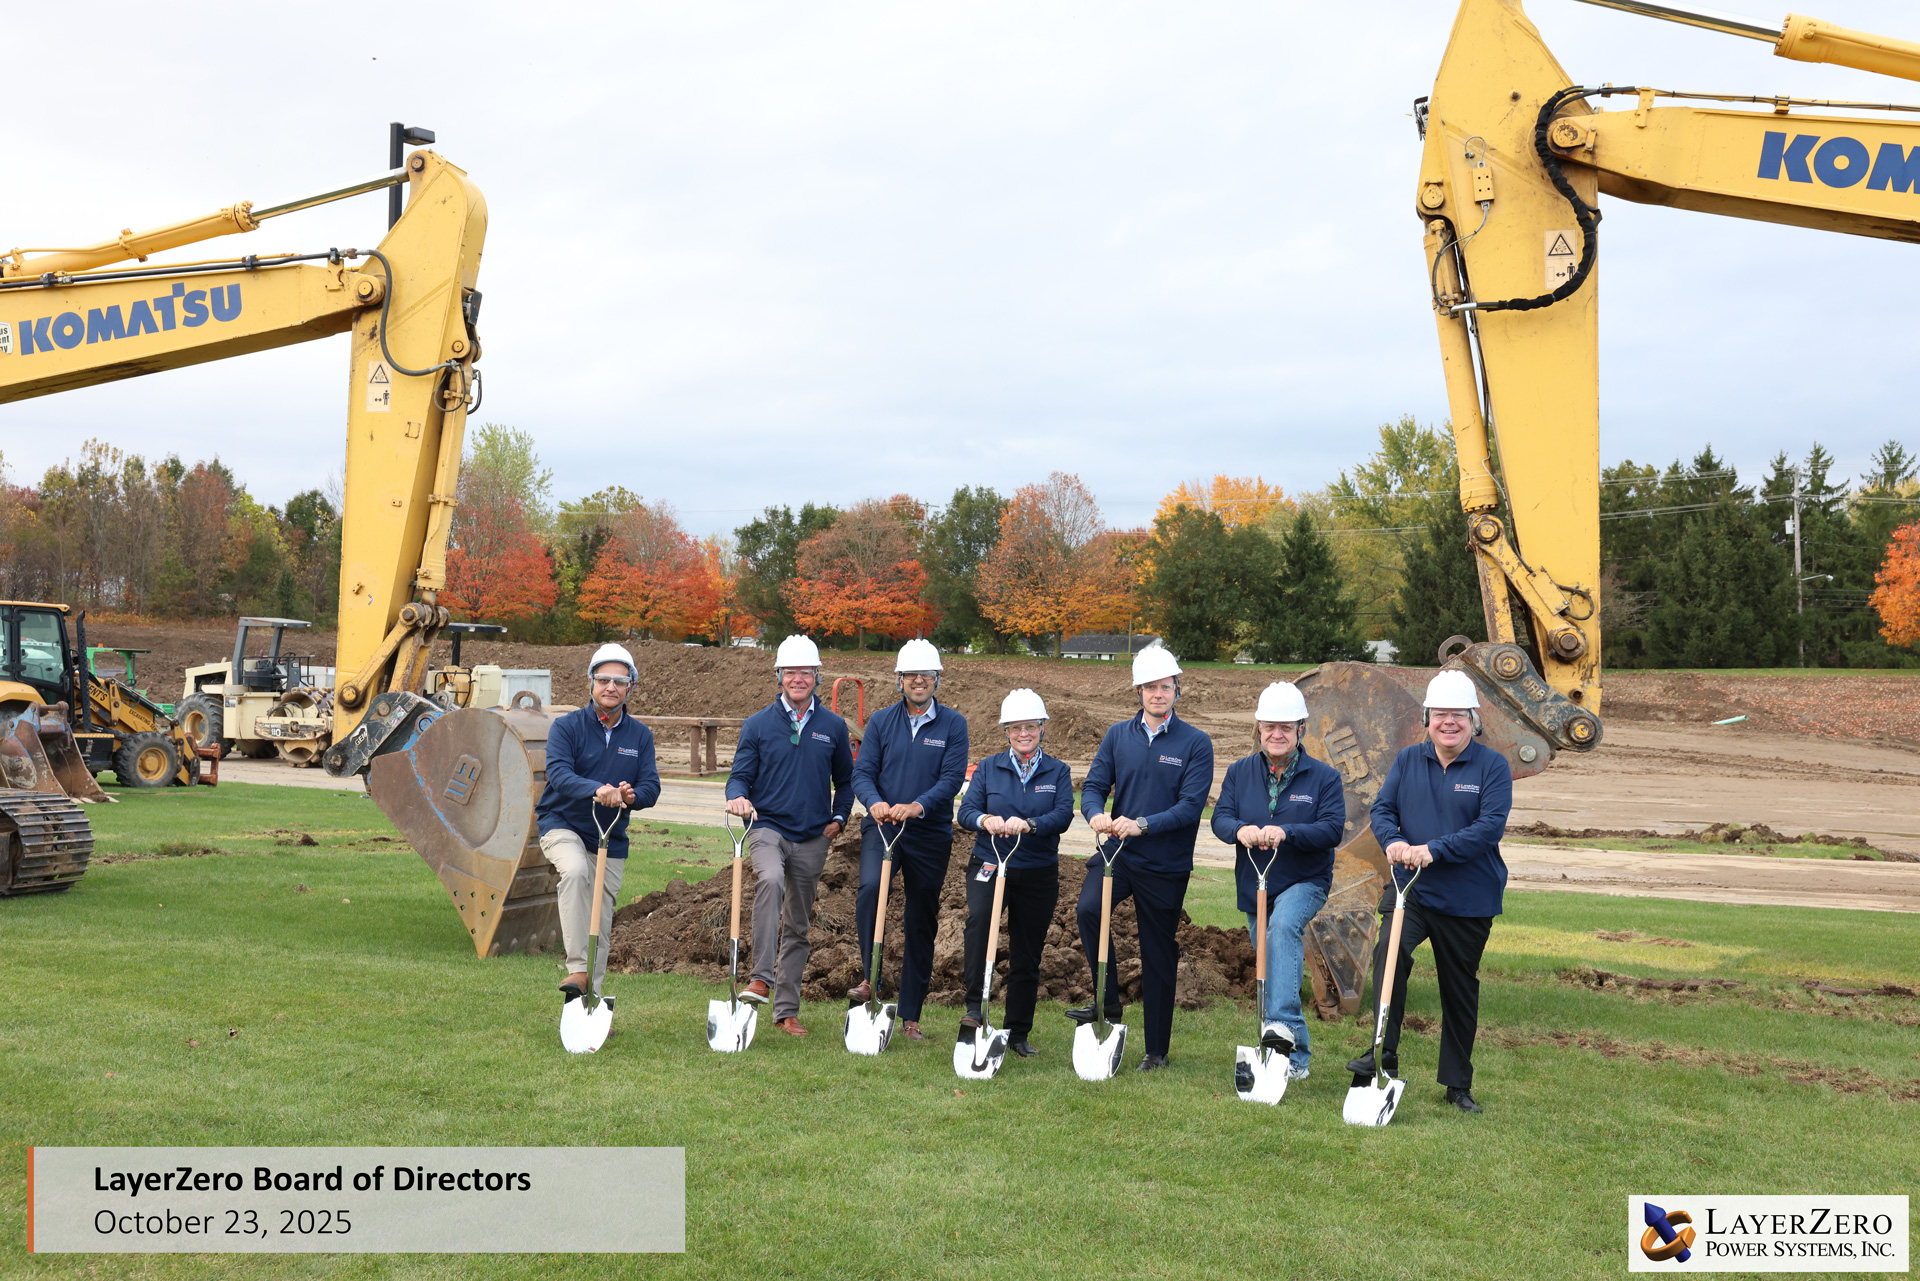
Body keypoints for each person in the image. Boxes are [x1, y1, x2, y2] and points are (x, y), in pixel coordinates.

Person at [1346, 668, 1513, 1113]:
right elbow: (1382, 809)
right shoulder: (1407, 761)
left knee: (1459, 987)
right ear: (1427, 718)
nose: (1449, 723)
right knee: (1389, 956)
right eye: (1440, 715)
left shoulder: (1492, 767)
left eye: (1458, 715)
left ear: (1473, 720)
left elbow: (1488, 828)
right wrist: (1394, 842)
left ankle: (1458, 1084)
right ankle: (1383, 1054)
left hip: (1467, 896)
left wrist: (1433, 849)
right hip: (1410, 889)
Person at [1070, 643, 1214, 1072]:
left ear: (1176, 690)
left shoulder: (1196, 743)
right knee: (1088, 910)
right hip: (1118, 853)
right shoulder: (1118, 735)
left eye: (1165, 687)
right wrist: (1095, 814)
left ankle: (1156, 1050)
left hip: (1165, 863)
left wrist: (1143, 824)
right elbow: (1093, 786)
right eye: (1150, 687)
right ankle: (1109, 1005)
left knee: (1157, 952)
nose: (1158, 694)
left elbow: (1191, 806)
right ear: (1138, 691)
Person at [1209, 681, 1346, 1080]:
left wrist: (1288, 832)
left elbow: (1332, 830)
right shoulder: (1239, 772)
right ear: (1259, 728)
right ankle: (1297, 1058)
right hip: (1256, 883)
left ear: (1302, 729)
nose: (1277, 734)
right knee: (1273, 969)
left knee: (1284, 929)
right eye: (1269, 726)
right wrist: (1240, 830)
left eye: (1286, 727)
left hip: (1305, 879)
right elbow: (1220, 819)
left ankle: (1281, 1038)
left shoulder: (1324, 778)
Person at [724, 635, 855, 1036]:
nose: (798, 679)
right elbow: (738, 777)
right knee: (770, 879)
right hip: (768, 828)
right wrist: (738, 798)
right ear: (779, 675)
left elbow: (847, 782)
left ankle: (786, 1010)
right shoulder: (758, 724)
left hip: (813, 836)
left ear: (817, 676)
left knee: (798, 924)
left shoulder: (833, 726)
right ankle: (760, 976)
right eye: (790, 672)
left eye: (806, 672)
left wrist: (840, 816)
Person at [848, 638, 968, 1040]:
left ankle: (911, 1015)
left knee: (921, 918)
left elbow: (951, 779)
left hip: (929, 834)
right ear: (898, 680)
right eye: (911, 674)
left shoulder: (954, 724)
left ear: (937, 679)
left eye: (927, 674)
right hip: (883, 827)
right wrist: (876, 802)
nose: (919, 680)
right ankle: (872, 979)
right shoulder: (881, 721)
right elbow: (862, 773)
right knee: (869, 891)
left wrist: (918, 806)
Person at [535, 642, 661, 1001]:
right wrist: (598, 789)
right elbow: (559, 774)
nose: (611, 687)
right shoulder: (567, 727)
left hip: (610, 837)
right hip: (562, 824)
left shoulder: (640, 736)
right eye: (603, 679)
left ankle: (589, 1003)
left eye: (619, 682)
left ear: (630, 688)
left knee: (600, 923)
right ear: (590, 683)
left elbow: (652, 786)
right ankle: (577, 969)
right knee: (574, 871)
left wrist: (633, 795)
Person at [955, 689, 1075, 1060]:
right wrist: (986, 819)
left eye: (1031, 726)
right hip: (990, 863)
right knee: (979, 926)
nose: (1024, 733)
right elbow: (966, 811)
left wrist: (1031, 824)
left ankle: (1017, 1031)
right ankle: (976, 1011)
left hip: (1037, 870)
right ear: (1006, 730)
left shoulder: (1058, 771)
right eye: (1016, 727)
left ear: (1042, 728)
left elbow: (1064, 815)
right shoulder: (989, 767)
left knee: (1028, 951)